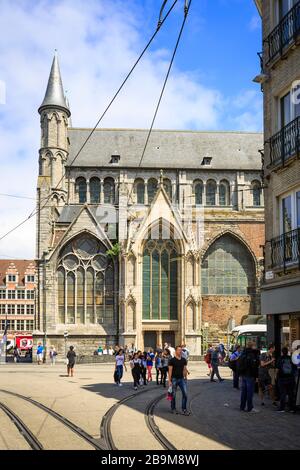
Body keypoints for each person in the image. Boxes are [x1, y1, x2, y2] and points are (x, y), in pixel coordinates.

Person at [238, 341, 260, 413]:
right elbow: (254, 367)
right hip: (250, 376)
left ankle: (242, 407)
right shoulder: (252, 354)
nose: (256, 347)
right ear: (252, 346)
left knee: (243, 392)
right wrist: (256, 376)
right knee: (250, 392)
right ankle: (250, 408)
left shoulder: (243, 353)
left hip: (243, 375)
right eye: (255, 346)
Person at [168, 345, 190, 416]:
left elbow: (184, 369)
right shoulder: (172, 360)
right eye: (179, 350)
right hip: (174, 379)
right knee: (173, 395)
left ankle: (184, 409)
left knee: (185, 394)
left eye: (181, 350)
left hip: (181, 379)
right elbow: (170, 371)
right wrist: (169, 381)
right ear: (176, 351)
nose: (180, 351)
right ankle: (173, 408)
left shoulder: (184, 360)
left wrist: (185, 377)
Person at [276, 347, 296, 413]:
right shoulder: (291, 358)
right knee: (291, 393)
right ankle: (291, 408)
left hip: (282, 378)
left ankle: (282, 408)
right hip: (290, 378)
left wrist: (276, 377)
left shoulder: (280, 358)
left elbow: (277, 368)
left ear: (282, 352)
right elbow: (295, 367)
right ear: (287, 352)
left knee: (283, 394)